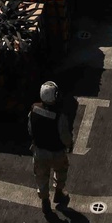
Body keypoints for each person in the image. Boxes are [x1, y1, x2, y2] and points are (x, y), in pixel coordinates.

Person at [28, 80, 72, 212]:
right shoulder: (59, 116)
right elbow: (65, 135)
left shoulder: (34, 110)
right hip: (57, 152)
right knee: (61, 171)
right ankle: (58, 193)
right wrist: (70, 145)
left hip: (40, 152)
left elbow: (30, 129)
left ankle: (45, 201)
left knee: (41, 176)